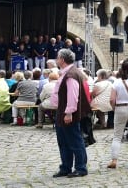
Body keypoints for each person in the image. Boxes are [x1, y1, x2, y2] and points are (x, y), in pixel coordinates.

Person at [50, 48, 89, 178]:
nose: (56, 59)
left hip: (67, 112)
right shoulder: (68, 72)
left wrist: (69, 113)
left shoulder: (71, 74)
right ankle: (65, 167)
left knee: (75, 141)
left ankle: (80, 168)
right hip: (62, 111)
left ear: (62, 59)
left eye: (57, 57)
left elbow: (73, 95)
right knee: (64, 141)